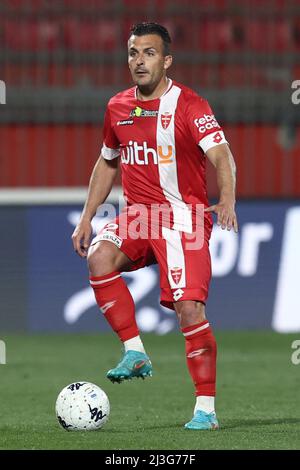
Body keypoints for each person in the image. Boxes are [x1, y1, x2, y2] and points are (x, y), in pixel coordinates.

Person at [72, 22, 238, 430]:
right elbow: (108, 161)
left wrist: (228, 198)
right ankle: (135, 351)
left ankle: (206, 410)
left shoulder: (190, 106)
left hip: (184, 218)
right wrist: (87, 217)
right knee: (99, 258)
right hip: (140, 216)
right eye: (133, 53)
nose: (139, 61)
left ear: (166, 60)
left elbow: (221, 156)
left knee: (189, 310)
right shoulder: (117, 107)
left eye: (148, 53)